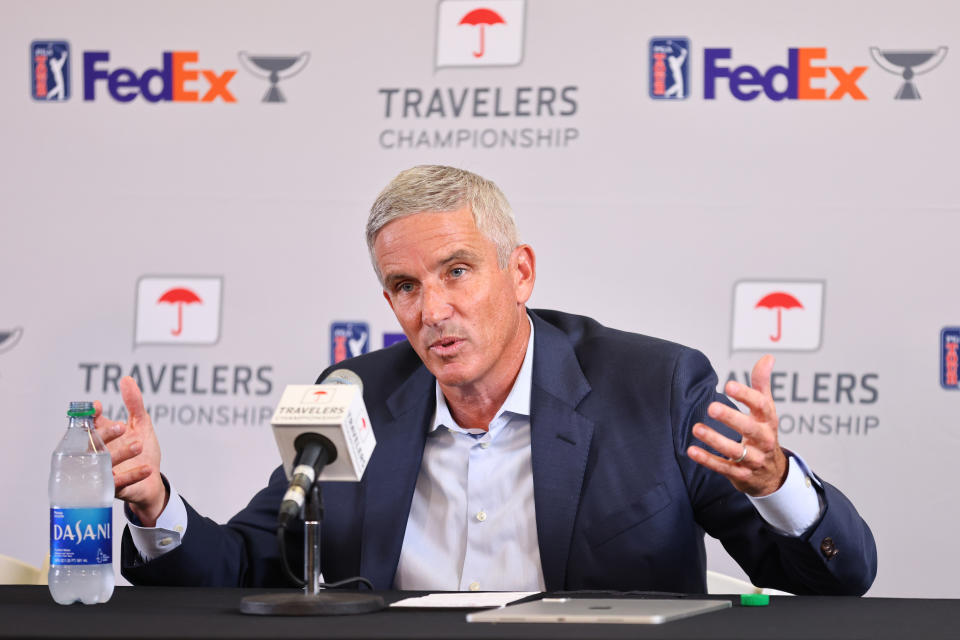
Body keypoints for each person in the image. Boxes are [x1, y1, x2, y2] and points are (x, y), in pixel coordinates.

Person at [97, 166, 876, 594]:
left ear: (521, 271)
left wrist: (777, 482)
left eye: (457, 271)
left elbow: (829, 575)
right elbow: (246, 567)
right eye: (405, 286)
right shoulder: (352, 397)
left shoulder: (657, 387)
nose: (432, 309)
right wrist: (155, 505)